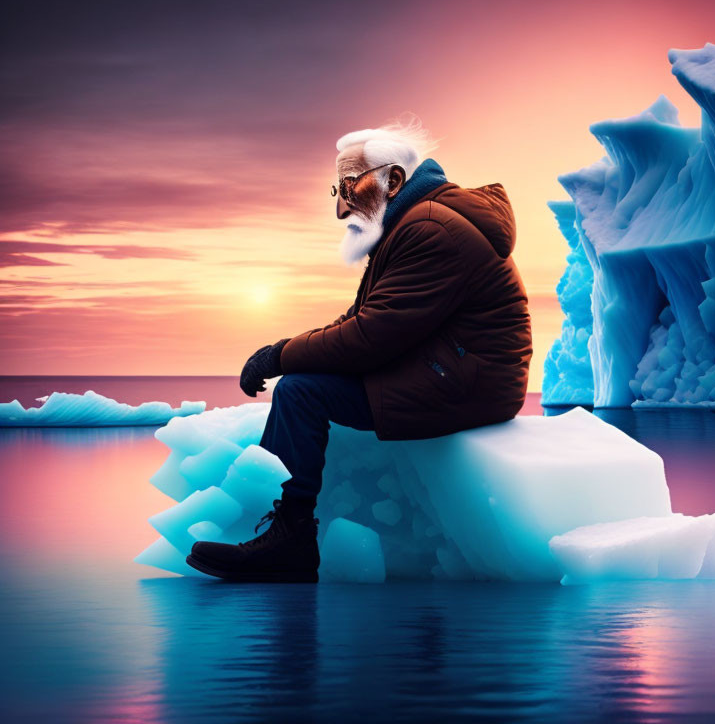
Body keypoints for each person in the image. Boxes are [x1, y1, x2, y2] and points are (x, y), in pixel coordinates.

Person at [186, 115, 533, 582]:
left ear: (393, 180)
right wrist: (285, 349)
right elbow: (361, 321)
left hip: (466, 384)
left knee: (301, 391)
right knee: (304, 383)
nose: (342, 208)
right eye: (338, 191)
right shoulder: (411, 224)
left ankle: (291, 538)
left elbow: (370, 337)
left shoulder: (430, 230)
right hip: (448, 369)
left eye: (350, 186)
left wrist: (280, 354)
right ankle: (284, 527)